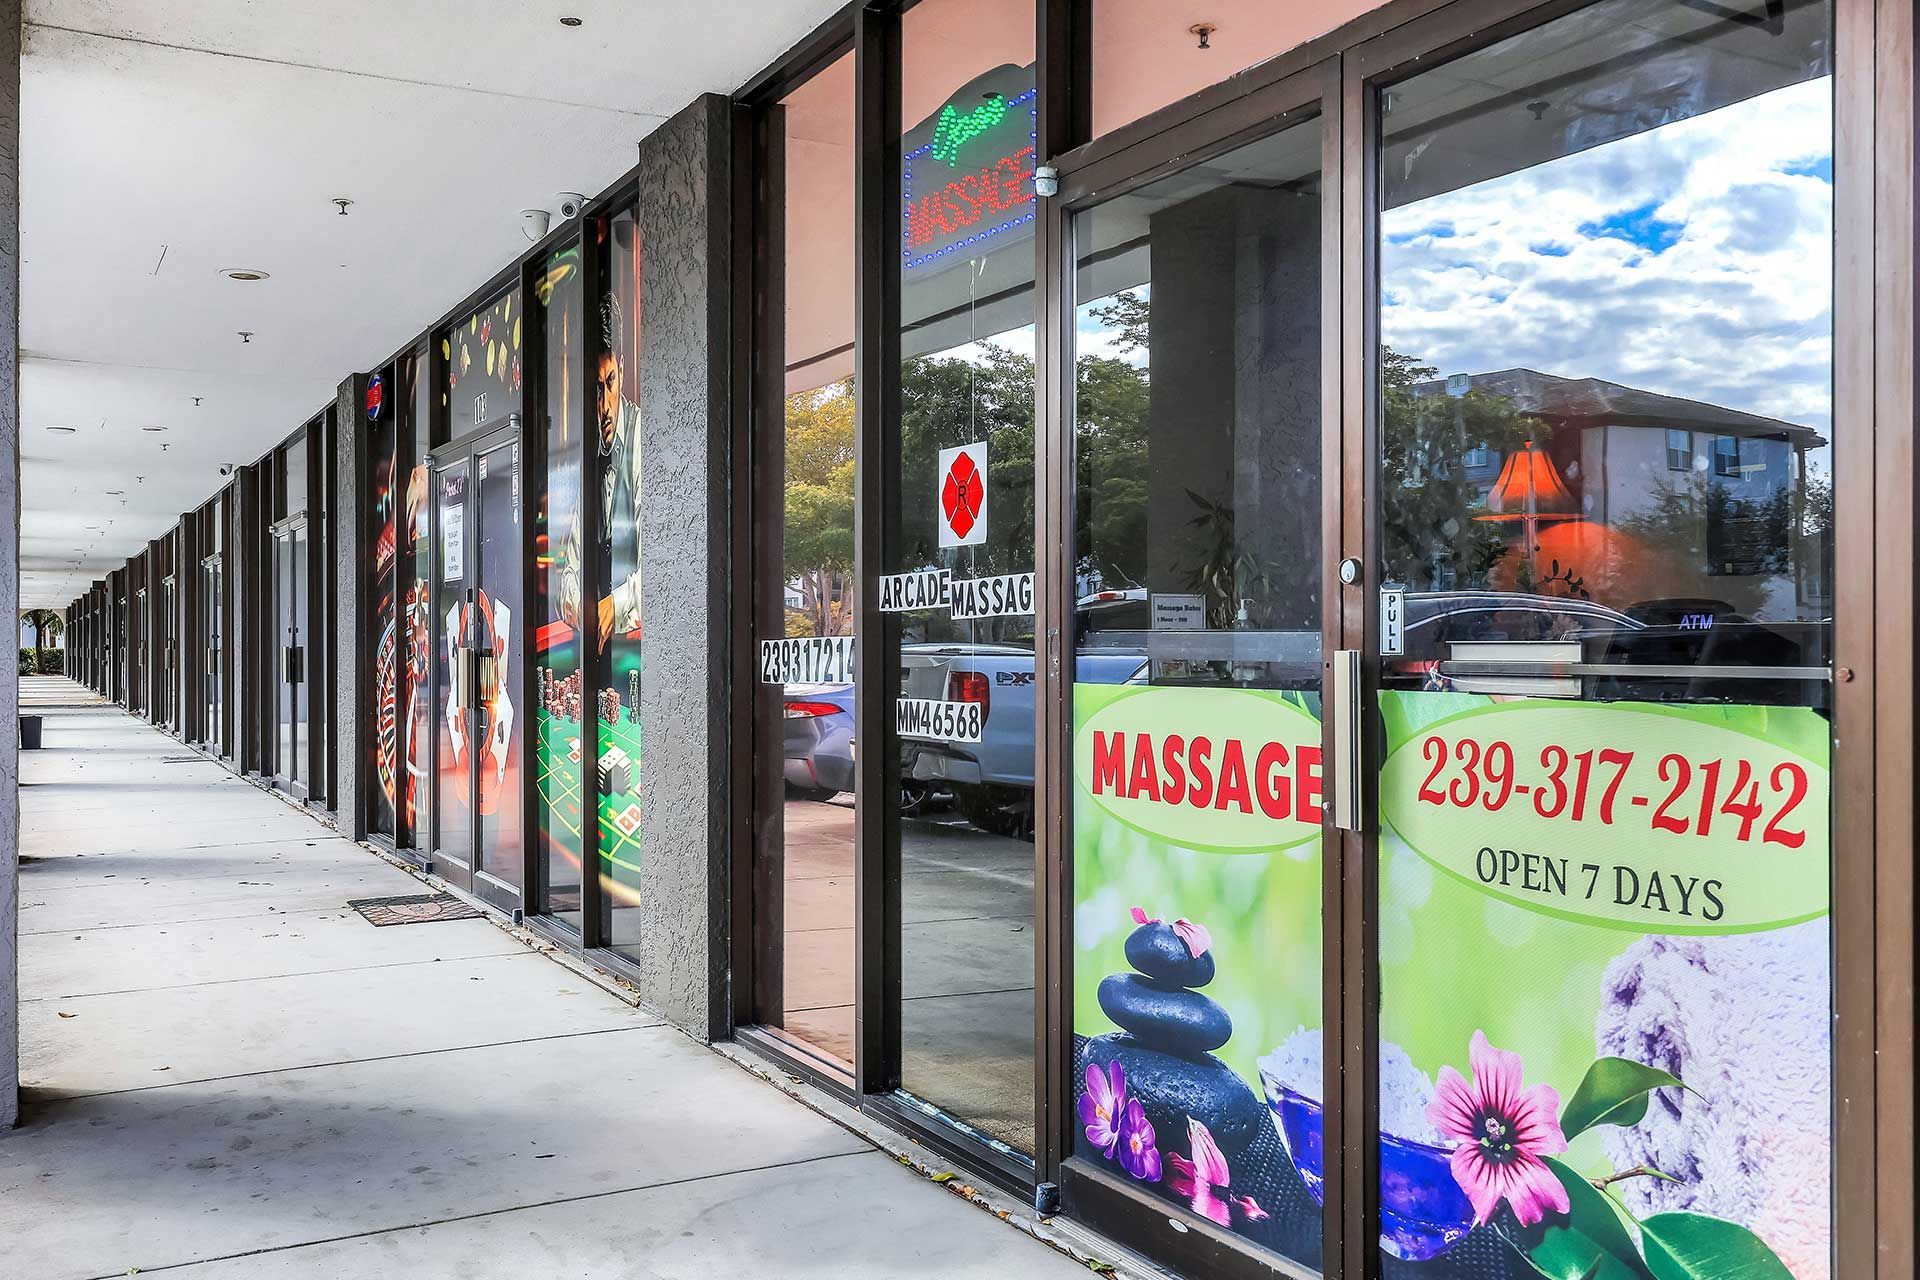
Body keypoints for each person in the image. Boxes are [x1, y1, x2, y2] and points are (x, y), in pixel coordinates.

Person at [559, 291, 642, 649]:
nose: (605, 406)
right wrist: (578, 604)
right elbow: (569, 571)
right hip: (602, 655)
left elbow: (666, 565)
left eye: (609, 383)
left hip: (642, 650)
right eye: (595, 389)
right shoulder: (589, 453)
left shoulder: (643, 438)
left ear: (621, 367)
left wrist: (617, 603)